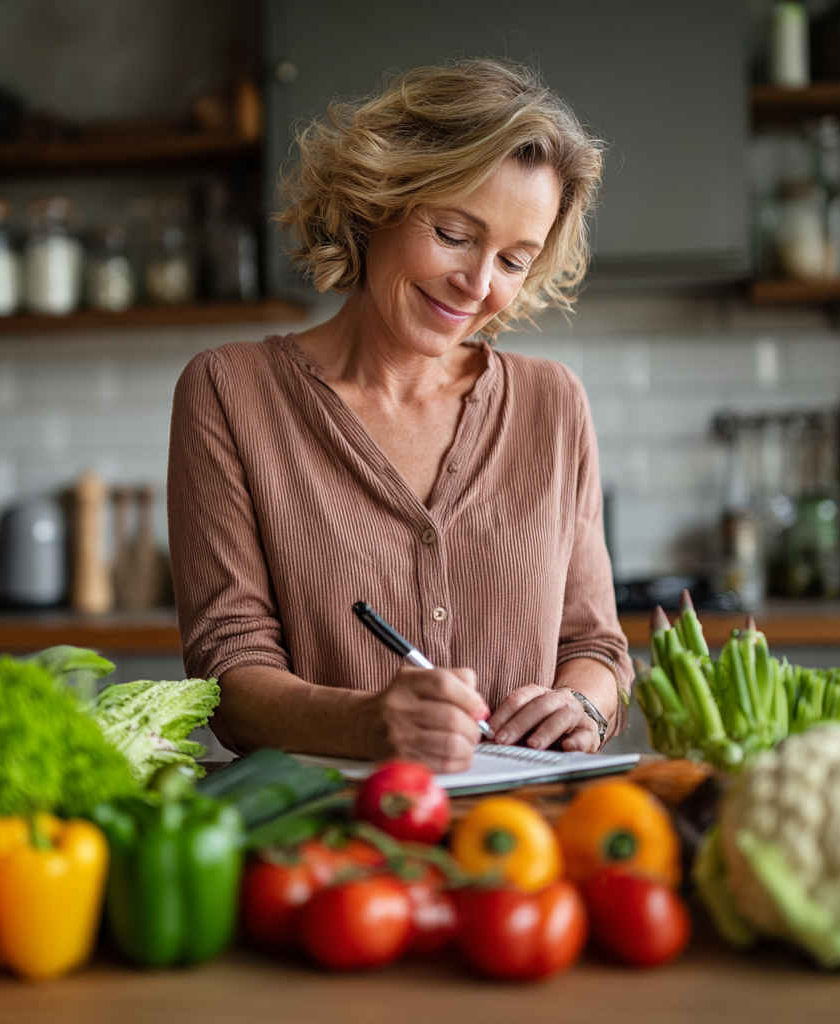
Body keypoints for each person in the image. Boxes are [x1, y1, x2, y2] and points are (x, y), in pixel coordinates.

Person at [168, 58, 631, 772]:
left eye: (514, 259)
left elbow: (596, 648)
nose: (477, 286)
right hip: (331, 846)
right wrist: (367, 725)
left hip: (528, 847)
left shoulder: (553, 403)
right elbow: (227, 676)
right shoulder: (230, 391)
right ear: (378, 198)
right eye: (453, 233)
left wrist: (583, 706)